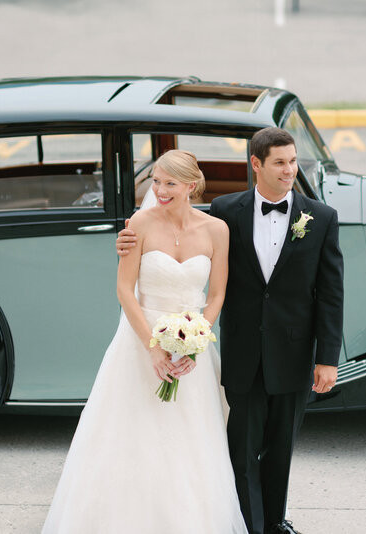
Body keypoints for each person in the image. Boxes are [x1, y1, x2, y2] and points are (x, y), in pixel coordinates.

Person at [118, 128, 344, 534]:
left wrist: (328, 358)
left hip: (294, 352)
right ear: (256, 164)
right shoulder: (225, 211)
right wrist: (125, 241)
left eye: (293, 161)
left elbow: (331, 293)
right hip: (244, 351)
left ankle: (275, 522)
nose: (289, 170)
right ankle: (251, 527)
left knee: (281, 449)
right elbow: (177, 226)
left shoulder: (321, 218)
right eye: (280, 162)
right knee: (241, 450)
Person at [43, 150, 247, 533]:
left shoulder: (217, 230)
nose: (160, 190)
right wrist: (153, 347)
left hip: (191, 344)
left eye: (170, 183)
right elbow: (124, 290)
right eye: (155, 181)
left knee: (190, 440)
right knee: (132, 435)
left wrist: (195, 344)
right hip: (139, 341)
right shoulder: (139, 223)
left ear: (191, 185)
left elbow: (217, 294)